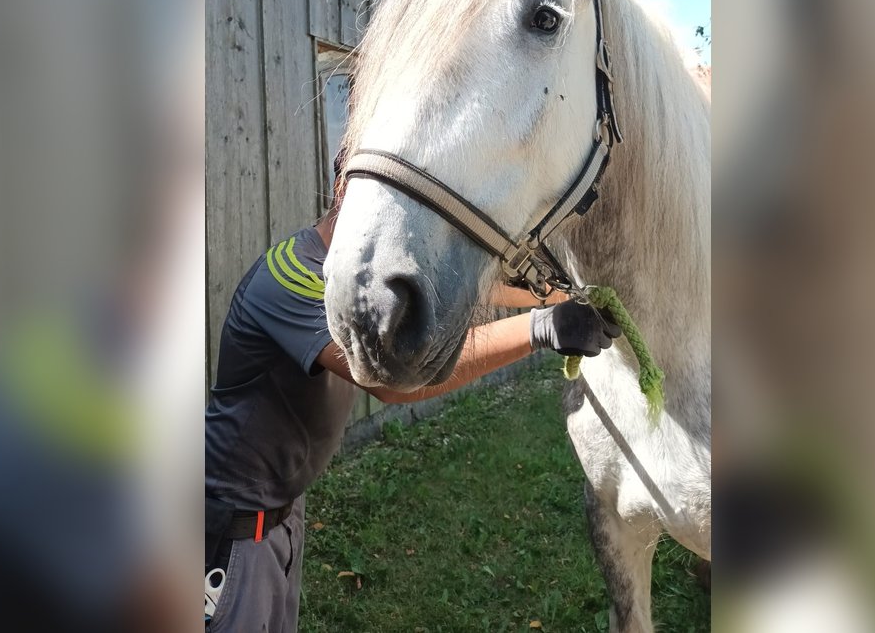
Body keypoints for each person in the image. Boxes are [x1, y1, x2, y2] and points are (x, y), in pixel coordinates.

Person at [204, 166, 620, 632]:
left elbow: (468, 288)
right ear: (348, 190)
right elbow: (393, 378)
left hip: (281, 515)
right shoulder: (291, 277)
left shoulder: (360, 274)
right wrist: (540, 326)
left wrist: (558, 292)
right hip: (235, 524)